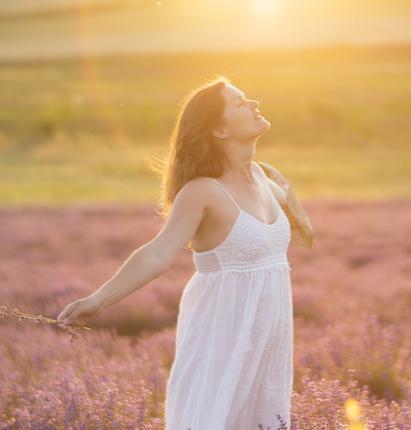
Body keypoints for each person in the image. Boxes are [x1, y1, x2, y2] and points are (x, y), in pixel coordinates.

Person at [56, 75, 314, 429]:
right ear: (219, 131)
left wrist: (287, 191)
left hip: (268, 342)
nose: (254, 104)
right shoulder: (202, 192)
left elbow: (300, 228)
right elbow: (157, 253)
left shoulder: (264, 178)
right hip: (222, 338)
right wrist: (100, 300)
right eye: (240, 103)